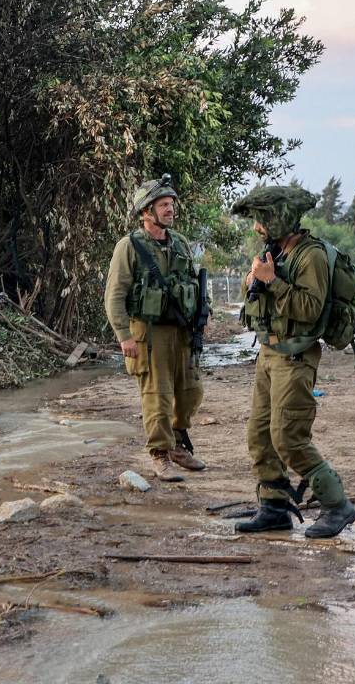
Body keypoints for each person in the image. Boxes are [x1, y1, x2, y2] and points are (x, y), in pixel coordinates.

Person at [232, 185, 355, 539]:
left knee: (289, 437)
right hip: (268, 354)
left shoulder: (311, 255)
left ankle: (337, 506)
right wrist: (253, 281)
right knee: (260, 436)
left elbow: (309, 309)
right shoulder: (275, 251)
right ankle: (274, 508)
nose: (257, 227)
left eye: (262, 219)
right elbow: (258, 300)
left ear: (280, 217)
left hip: (296, 356)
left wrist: (272, 282)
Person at [103, 174, 206, 482]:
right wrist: (124, 336)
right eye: (163, 205)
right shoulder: (130, 247)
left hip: (181, 331)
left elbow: (193, 284)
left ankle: (176, 442)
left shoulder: (181, 244)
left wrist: (201, 318)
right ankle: (159, 454)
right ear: (146, 211)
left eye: (171, 204)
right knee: (157, 397)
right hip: (148, 334)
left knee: (191, 391)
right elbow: (114, 294)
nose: (170, 209)